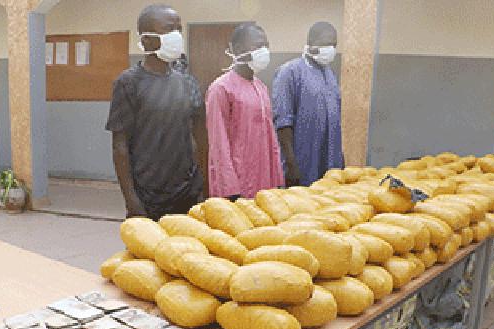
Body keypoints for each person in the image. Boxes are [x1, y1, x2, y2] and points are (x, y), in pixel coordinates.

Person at [106, 4, 203, 220]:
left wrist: (200, 186)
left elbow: (194, 136)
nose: (176, 35)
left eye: (178, 29)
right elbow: (120, 146)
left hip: (187, 193)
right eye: (169, 29)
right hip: (148, 197)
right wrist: (131, 200)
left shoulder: (187, 82)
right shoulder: (128, 83)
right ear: (147, 40)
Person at [205, 23, 284, 199]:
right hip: (237, 187)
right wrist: (230, 190)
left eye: (266, 45)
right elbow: (219, 145)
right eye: (258, 46)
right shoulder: (221, 88)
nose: (264, 51)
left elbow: (271, 140)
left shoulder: (261, 87)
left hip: (265, 183)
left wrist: (277, 178)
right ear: (239, 49)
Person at [272, 21, 344, 187]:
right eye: (326, 43)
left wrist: (340, 158)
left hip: (329, 163)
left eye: (334, 44)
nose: (331, 49)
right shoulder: (289, 72)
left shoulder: (330, 74)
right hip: (302, 163)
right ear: (311, 42)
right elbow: (283, 123)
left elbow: (335, 120)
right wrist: (291, 165)